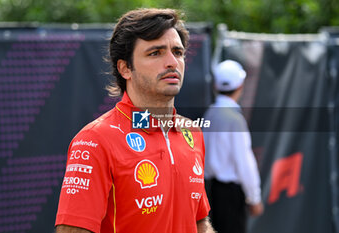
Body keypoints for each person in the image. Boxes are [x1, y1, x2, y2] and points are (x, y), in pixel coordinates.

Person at [55, 8, 215, 233]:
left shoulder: (192, 132)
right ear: (125, 68)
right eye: (155, 53)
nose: (172, 62)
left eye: (178, 52)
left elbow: (200, 223)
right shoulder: (94, 140)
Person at [203, 60, 264, 233]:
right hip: (230, 194)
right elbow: (244, 163)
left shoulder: (210, 113)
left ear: (216, 85)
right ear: (240, 85)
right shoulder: (235, 120)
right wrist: (254, 198)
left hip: (211, 191)